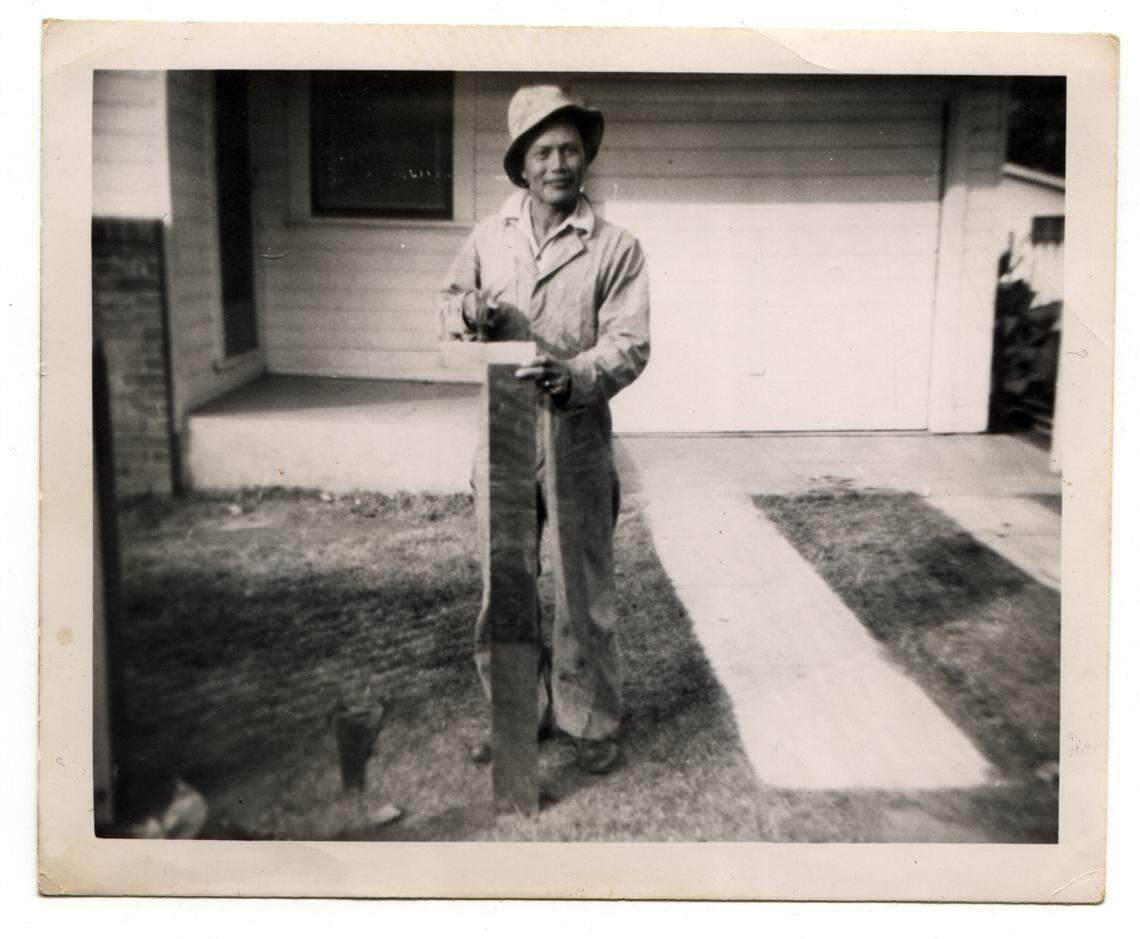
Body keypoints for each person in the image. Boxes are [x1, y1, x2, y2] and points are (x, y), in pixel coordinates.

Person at [439, 85, 650, 775]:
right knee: (506, 578)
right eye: (543, 151)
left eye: (570, 149)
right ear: (521, 166)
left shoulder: (617, 247)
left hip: (576, 431)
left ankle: (589, 719)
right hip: (500, 426)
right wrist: (467, 311)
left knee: (583, 582)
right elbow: (449, 310)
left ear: (585, 158)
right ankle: (515, 715)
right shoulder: (486, 237)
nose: (559, 162)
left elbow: (630, 341)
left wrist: (578, 375)